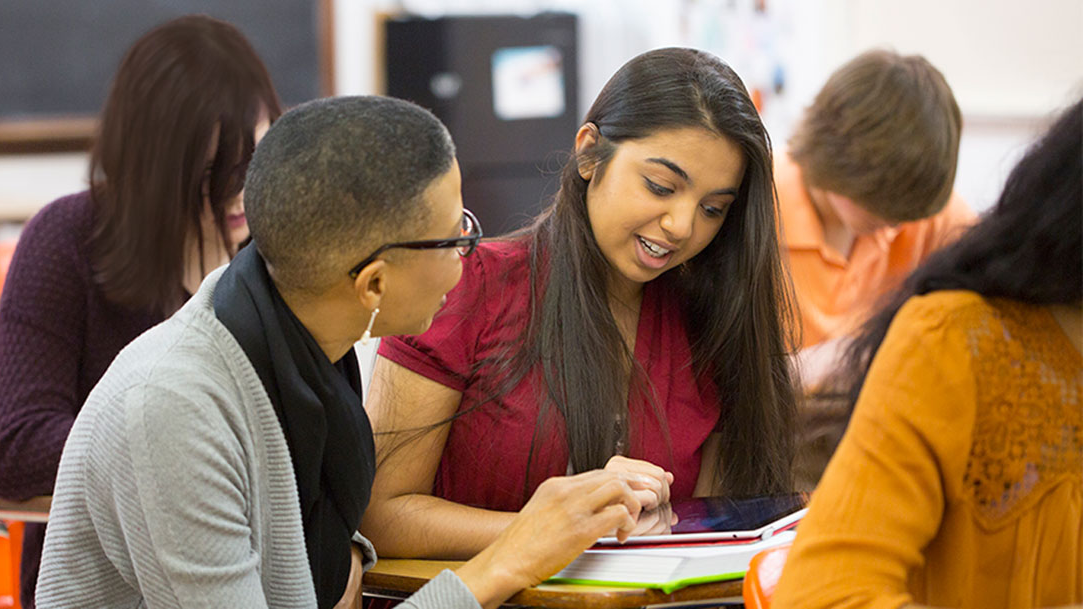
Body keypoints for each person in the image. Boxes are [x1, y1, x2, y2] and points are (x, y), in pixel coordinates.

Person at [35, 95, 649, 609]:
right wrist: (505, 561)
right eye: (453, 235)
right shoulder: (175, 407)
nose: (467, 254)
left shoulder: (299, 345)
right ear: (374, 282)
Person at [361, 47, 799, 562]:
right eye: (660, 186)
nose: (682, 226)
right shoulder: (465, 287)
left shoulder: (708, 325)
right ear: (590, 153)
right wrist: (560, 525)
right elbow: (380, 518)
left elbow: (700, 539)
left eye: (712, 209)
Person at [0, 15, 281, 607]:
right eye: (215, 173)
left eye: (256, 164)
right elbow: (15, 450)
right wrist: (189, 448)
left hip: (250, 572)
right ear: (153, 166)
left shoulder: (276, 253)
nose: (241, 194)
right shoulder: (67, 240)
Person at [773, 100, 1082, 609]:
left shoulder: (934, 224)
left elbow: (989, 250)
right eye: (881, 212)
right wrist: (822, 363)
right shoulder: (767, 206)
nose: (894, 230)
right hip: (800, 448)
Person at [779, 49, 976, 386]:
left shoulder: (922, 213)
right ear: (841, 161)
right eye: (884, 208)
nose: (898, 225)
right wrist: (830, 362)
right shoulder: (758, 201)